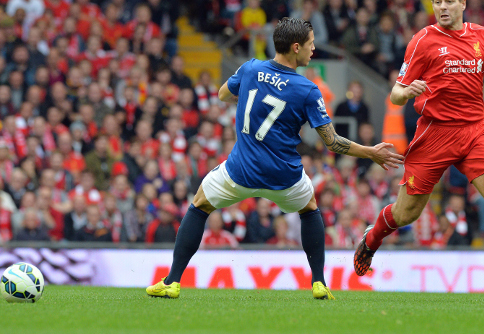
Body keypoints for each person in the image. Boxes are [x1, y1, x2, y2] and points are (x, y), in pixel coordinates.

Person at [146, 17, 403, 300]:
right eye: (310, 44)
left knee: (199, 205)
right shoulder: (307, 89)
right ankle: (318, 282)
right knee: (310, 209)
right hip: (285, 177)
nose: (313, 48)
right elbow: (333, 143)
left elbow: (222, 95)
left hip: (240, 171)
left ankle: (172, 282)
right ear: (295, 47)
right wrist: (370, 152)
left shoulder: (250, 68)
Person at [352, 0, 484, 302]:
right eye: (438, 2)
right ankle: (372, 238)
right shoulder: (423, 40)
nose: (443, 7)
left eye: (449, 1)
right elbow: (395, 93)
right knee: (406, 214)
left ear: (463, 3)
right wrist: (406, 91)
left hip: (475, 131)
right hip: (434, 133)